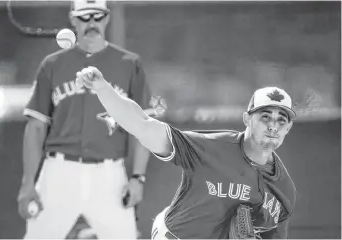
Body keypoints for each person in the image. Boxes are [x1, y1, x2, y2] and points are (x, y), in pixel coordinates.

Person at [75, 66, 297, 239]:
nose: (272, 126)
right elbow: (143, 125)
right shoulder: (211, 148)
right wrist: (103, 88)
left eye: (281, 120)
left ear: (288, 128)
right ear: (247, 119)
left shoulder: (284, 191)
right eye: (265, 116)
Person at [17, 0, 153, 238]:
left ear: (107, 18)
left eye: (98, 16)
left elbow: (142, 127)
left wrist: (137, 177)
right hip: (59, 173)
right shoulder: (52, 64)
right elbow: (36, 126)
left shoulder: (130, 64)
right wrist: (28, 183)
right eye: (85, 16)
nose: (92, 22)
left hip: (109, 175)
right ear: (72, 19)